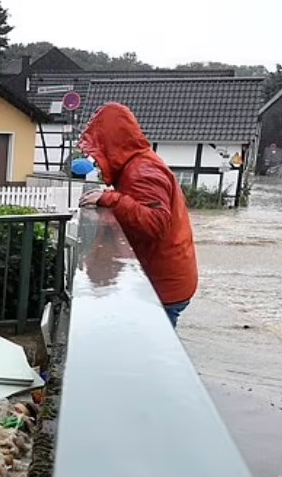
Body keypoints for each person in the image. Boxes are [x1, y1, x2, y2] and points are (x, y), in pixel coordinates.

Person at [77, 103, 198, 328]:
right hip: (168, 280)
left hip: (162, 287)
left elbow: (155, 223)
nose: (96, 160)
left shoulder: (142, 171)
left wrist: (110, 199)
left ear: (111, 144)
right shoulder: (138, 164)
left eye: (99, 149)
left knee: (155, 355)